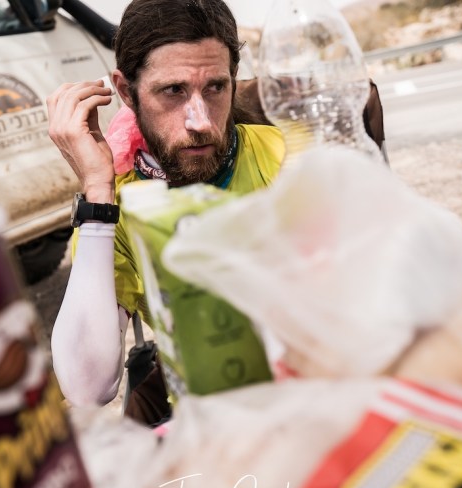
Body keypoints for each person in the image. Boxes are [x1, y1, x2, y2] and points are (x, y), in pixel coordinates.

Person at [45, 0, 285, 412]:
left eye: (216, 87)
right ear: (126, 92)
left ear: (233, 80)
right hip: (214, 421)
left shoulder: (288, 160)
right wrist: (97, 191)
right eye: (173, 91)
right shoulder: (118, 206)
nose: (201, 121)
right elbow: (87, 388)